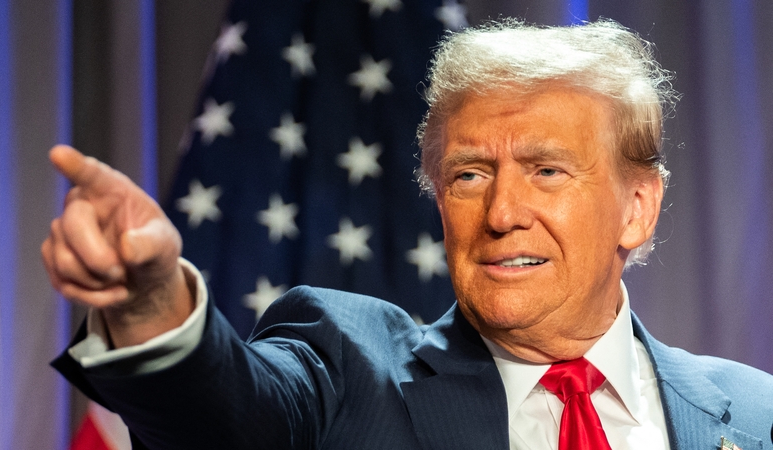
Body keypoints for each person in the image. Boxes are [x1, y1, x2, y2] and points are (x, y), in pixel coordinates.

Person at [45, 19, 773, 450]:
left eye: (547, 171)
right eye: (468, 175)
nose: (501, 213)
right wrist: (148, 306)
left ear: (638, 207)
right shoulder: (347, 370)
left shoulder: (755, 413)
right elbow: (227, 418)